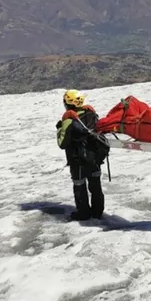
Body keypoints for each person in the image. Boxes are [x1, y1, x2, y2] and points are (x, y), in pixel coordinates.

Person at [55, 89, 106, 221]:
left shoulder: (69, 120)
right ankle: (97, 212)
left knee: (80, 186)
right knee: (95, 185)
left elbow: (62, 143)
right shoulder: (92, 114)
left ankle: (83, 213)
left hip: (77, 160)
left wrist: (59, 128)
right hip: (94, 158)